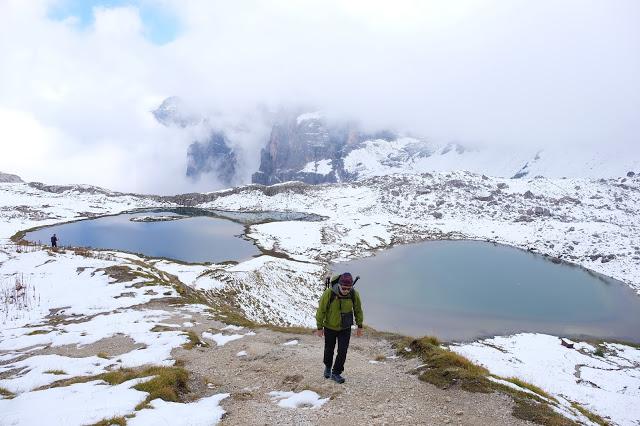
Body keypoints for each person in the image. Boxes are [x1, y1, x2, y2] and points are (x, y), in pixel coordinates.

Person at [315, 272, 364, 384]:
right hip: (329, 326)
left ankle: (336, 372)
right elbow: (321, 310)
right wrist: (319, 327)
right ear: (339, 285)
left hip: (345, 327)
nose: (346, 290)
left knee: (342, 351)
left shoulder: (353, 294)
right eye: (344, 288)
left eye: (348, 288)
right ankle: (327, 367)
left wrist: (359, 325)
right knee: (329, 349)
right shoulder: (329, 293)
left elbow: (358, 310)